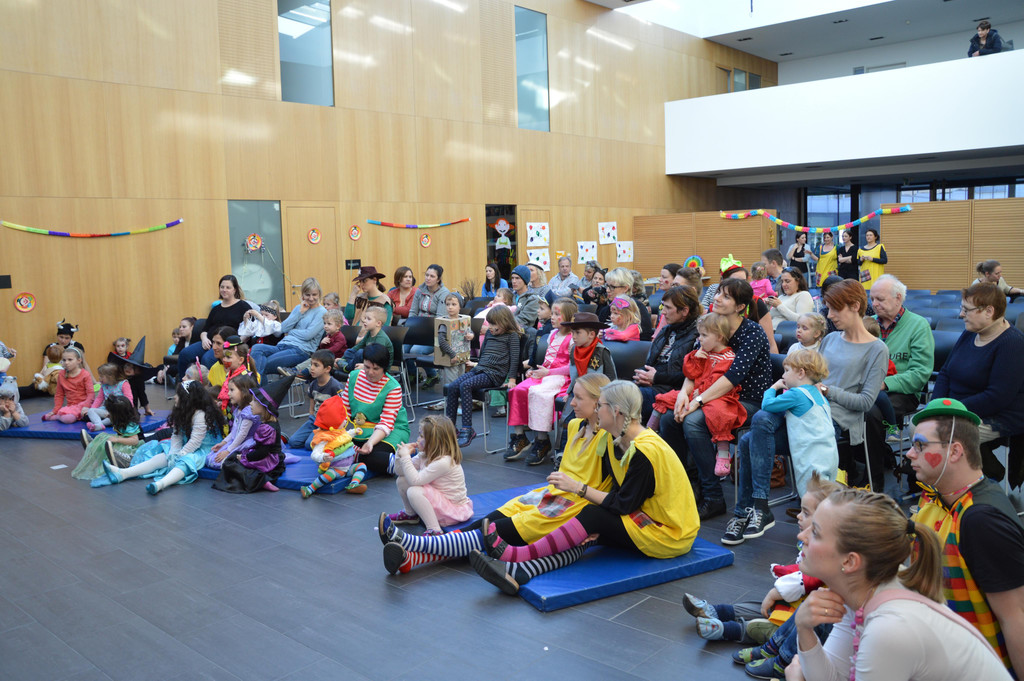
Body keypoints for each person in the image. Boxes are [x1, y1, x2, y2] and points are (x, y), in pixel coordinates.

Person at [468, 381, 699, 595]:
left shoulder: (645, 451)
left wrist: (579, 488)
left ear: (616, 411)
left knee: (592, 515)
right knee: (583, 532)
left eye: (600, 405)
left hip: (667, 532)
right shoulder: (615, 440)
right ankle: (522, 571)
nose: (597, 410)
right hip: (641, 515)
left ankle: (517, 556)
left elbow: (622, 504)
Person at [379, 373, 614, 575]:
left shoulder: (608, 438)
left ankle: (414, 546)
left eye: (578, 397)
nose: (570, 402)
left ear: (598, 402)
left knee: (498, 530)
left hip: (574, 504)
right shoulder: (574, 426)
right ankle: (412, 558)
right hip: (552, 494)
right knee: (491, 519)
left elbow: (612, 488)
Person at [790, 488, 1011, 681]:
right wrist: (804, 628)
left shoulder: (889, 629)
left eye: (815, 532)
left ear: (850, 562)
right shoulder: (866, 586)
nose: (802, 535)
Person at [908, 398, 1024, 676]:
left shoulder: (981, 520)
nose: (910, 454)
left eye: (920, 446)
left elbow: (1016, 617)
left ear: (955, 451)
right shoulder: (938, 496)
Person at [686, 473, 841, 657]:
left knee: (764, 627)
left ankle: (726, 630)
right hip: (793, 603)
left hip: (800, 618)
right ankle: (716, 611)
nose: (799, 516)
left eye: (806, 513)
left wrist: (776, 592)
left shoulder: (826, 557)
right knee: (760, 607)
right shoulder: (809, 544)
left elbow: (805, 579)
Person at [661, 278, 772, 520]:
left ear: (740, 307)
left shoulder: (752, 332)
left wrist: (697, 401)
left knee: (693, 420)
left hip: (746, 400)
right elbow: (696, 365)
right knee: (669, 417)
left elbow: (733, 377)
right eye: (719, 293)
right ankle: (690, 483)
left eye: (726, 296)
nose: (718, 298)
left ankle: (713, 496)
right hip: (712, 396)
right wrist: (684, 395)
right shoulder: (711, 324)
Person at [728, 350, 839, 547]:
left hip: (808, 454)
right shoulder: (818, 393)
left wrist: (774, 387)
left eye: (786, 371)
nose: (783, 376)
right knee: (822, 497)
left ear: (801, 373)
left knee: (810, 500)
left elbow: (767, 405)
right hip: (827, 452)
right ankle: (824, 536)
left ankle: (811, 539)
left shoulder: (797, 394)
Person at [933, 283, 1024, 477]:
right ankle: (973, 470)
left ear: (989, 311)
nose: (961, 314)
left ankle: (979, 476)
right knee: (924, 426)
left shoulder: (1012, 343)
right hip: (956, 409)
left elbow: (997, 397)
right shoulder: (969, 333)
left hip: (995, 414)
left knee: (937, 435)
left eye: (967, 310)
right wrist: (936, 406)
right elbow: (945, 372)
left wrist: (951, 410)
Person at [819, 280, 890, 489]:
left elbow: (866, 402)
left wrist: (826, 390)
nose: (829, 315)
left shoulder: (877, 349)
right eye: (828, 308)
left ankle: (817, 492)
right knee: (758, 427)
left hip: (835, 416)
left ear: (855, 306)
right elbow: (815, 377)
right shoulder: (830, 338)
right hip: (814, 407)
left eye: (835, 309)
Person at [100, 380, 224, 495]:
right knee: (164, 453)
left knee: (187, 461)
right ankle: (124, 473)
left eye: (178, 394)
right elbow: (177, 435)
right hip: (188, 445)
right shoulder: (182, 411)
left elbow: (195, 442)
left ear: (187, 398)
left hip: (204, 449)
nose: (174, 397)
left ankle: (161, 484)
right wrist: (173, 453)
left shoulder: (200, 415)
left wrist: (181, 455)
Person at [538, 312, 618, 463]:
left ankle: (586, 454)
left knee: (588, 422)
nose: (573, 336)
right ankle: (562, 453)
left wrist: (605, 398)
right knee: (566, 421)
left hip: (597, 395)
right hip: (577, 393)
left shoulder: (602, 352)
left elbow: (611, 378)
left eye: (578, 332)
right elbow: (575, 375)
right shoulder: (574, 350)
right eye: (572, 332)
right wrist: (569, 392)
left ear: (591, 334)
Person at [506, 298, 577, 466]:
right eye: (552, 313)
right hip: (545, 375)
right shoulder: (552, 335)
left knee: (539, 394)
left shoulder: (572, 339)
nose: (552, 317)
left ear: (569, 317)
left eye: (557, 314)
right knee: (517, 390)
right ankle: (520, 437)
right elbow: (548, 361)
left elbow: (571, 367)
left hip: (561, 378)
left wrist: (548, 372)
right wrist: (535, 371)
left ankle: (542, 440)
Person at [383, 416, 474, 536]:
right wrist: (399, 455)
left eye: (421, 436)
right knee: (402, 480)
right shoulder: (425, 455)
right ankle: (410, 514)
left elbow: (415, 481)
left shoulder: (444, 462)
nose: (417, 439)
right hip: (440, 504)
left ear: (434, 441)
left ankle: (434, 530)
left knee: (414, 491)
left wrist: (406, 457)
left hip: (452, 512)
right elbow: (399, 472)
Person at [446, 305, 521, 447]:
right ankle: (450, 428)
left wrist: (512, 379)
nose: (490, 327)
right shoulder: (489, 334)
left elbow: (514, 359)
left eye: (493, 324)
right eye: (489, 324)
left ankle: (467, 429)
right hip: (481, 369)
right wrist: (476, 365)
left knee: (465, 385)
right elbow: (484, 353)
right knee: (452, 386)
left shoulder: (512, 336)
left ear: (504, 322)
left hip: (495, 374)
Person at [337, 343, 410, 476]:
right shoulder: (353, 376)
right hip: (359, 429)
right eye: (367, 367)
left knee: (372, 453)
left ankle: (402, 464)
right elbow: (344, 410)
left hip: (391, 430)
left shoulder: (393, 387)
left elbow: (386, 423)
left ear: (384, 368)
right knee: (329, 443)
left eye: (376, 368)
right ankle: (359, 455)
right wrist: (337, 433)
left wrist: (370, 443)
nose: (370, 372)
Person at [869, 274, 934, 421]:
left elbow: (920, 373)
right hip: (869, 387)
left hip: (904, 392)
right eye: (872, 299)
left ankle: (882, 438)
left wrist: (885, 384)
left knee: (871, 412)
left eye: (880, 299)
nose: (874, 304)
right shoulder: (867, 323)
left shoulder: (918, 325)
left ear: (898, 298)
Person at [634, 285, 702, 425]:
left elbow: (692, 376)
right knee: (616, 390)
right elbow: (651, 364)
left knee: (630, 397)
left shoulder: (698, 336)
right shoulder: (666, 330)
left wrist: (656, 378)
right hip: (653, 386)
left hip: (672, 391)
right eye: (662, 306)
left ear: (684, 311)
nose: (663, 312)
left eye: (668, 308)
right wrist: (642, 375)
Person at [212, 377, 291, 494]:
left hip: (268, 460)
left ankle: (260, 480)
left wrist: (246, 457)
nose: (250, 403)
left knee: (230, 463)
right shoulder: (266, 423)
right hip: (264, 456)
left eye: (254, 401)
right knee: (233, 458)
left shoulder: (267, 427)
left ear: (263, 406)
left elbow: (262, 452)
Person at [177, 275, 254, 378]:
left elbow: (250, 330)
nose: (224, 290)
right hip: (209, 342)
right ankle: (184, 383)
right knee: (184, 354)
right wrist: (204, 339)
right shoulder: (216, 309)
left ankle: (210, 386)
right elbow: (204, 330)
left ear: (235, 290)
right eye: (222, 287)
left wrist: (233, 344)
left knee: (207, 359)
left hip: (228, 345)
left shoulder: (243, 306)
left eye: (228, 287)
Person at [250, 277, 326, 376]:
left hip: (301, 350)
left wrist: (291, 332)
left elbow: (308, 335)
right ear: (303, 295)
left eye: (314, 294)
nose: (311, 298)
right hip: (282, 345)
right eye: (307, 295)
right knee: (257, 348)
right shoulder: (299, 308)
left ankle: (256, 385)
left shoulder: (322, 312)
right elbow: (283, 328)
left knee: (263, 364)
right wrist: (300, 313)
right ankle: (259, 385)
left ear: (319, 294)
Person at [299, 393, 367, 497]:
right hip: (335, 469)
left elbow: (345, 436)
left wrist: (354, 432)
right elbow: (314, 454)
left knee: (362, 466)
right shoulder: (323, 438)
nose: (345, 421)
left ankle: (353, 484)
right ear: (333, 423)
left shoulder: (338, 431)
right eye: (343, 420)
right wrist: (323, 457)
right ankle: (310, 489)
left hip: (348, 467)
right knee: (328, 475)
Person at [287, 350, 343, 450]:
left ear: (327, 369)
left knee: (309, 444)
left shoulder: (335, 386)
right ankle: (315, 436)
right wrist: (311, 413)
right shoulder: (313, 384)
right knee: (293, 442)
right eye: (311, 364)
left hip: (327, 424)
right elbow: (312, 398)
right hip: (315, 420)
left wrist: (335, 426)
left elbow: (342, 407)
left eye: (316, 365)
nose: (311, 368)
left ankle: (330, 437)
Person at [73, 395, 141, 478]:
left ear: (118, 415)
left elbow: (135, 441)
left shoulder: (130, 424)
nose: (109, 414)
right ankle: (94, 446)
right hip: (123, 441)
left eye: (111, 413)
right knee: (104, 437)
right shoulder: (120, 419)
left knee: (110, 442)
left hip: (132, 448)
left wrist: (117, 439)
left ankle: (118, 458)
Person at [407, 264, 451, 387]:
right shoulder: (420, 290)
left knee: (415, 351)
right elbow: (413, 312)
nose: (428, 278)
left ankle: (433, 375)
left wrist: (423, 329)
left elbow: (440, 318)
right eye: (427, 275)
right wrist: (409, 328)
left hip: (433, 334)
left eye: (432, 276)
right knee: (402, 348)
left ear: (438, 279)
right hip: (416, 331)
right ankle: (413, 374)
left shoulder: (444, 293)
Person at [206, 374, 260, 469]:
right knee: (210, 459)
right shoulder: (239, 409)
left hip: (247, 442)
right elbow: (235, 431)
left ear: (244, 392)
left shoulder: (248, 412)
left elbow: (242, 434)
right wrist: (223, 443)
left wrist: (228, 451)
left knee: (218, 462)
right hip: (236, 441)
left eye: (232, 390)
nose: (228, 394)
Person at [280, 308, 346, 379]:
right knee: (311, 359)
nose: (325, 326)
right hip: (325, 358)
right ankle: (294, 370)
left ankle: (304, 373)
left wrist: (320, 354)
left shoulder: (340, 338)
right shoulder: (328, 335)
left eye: (329, 324)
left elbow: (331, 351)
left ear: (338, 326)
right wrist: (322, 343)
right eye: (324, 323)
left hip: (334, 362)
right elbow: (322, 349)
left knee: (317, 361)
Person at [42, 347, 94, 424]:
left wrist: (86, 406)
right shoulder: (61, 374)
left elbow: (91, 394)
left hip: (85, 405)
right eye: (64, 360)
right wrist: (55, 410)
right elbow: (59, 394)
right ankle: (57, 416)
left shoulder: (85, 374)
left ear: (79, 360)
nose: (66, 362)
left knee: (93, 415)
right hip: (72, 407)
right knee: (68, 419)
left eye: (70, 360)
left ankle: (60, 415)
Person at [434, 293, 473, 392]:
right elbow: (441, 340)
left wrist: (471, 335)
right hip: (450, 358)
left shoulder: (463, 319)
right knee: (451, 383)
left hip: (461, 357)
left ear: (460, 306)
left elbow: (469, 330)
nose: (450, 307)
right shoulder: (444, 323)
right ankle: (450, 400)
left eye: (453, 304)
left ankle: (458, 399)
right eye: (448, 304)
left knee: (461, 379)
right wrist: (452, 354)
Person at [604, 267, 653, 340]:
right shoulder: (605, 309)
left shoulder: (637, 307)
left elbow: (646, 337)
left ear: (625, 288)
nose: (607, 290)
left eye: (612, 287)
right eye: (607, 286)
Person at [341, 306, 393, 374]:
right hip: (370, 359)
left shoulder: (381, 338)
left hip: (379, 366)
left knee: (360, 352)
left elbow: (378, 358)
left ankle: (347, 368)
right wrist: (342, 358)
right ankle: (349, 364)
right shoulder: (369, 333)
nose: (364, 321)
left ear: (378, 323)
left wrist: (365, 366)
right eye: (365, 318)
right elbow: (358, 346)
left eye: (368, 319)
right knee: (349, 352)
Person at [84, 363, 134, 431]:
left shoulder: (123, 384)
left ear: (110, 376)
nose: (99, 378)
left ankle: (99, 424)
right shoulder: (104, 385)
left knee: (114, 417)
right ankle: (99, 424)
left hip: (119, 411)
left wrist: (127, 411)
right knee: (90, 411)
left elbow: (129, 398)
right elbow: (99, 398)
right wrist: (93, 408)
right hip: (107, 410)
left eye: (101, 376)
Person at [509, 264, 539, 329]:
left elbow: (523, 320)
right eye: (512, 278)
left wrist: (500, 325)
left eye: (517, 278)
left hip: (523, 331)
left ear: (525, 280)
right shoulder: (510, 295)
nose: (514, 281)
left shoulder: (533, 299)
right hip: (506, 329)